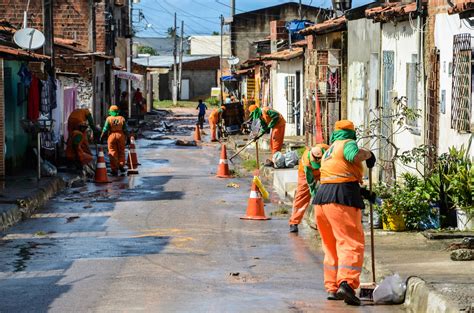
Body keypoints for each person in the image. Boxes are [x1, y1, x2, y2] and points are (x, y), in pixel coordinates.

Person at [313, 120, 376, 306]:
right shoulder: (347, 144)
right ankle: (347, 283)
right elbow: (353, 156)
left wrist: (362, 193)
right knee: (351, 242)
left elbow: (338, 175)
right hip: (341, 200)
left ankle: (332, 287)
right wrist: (369, 154)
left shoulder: (329, 150)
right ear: (351, 132)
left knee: (331, 245)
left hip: (322, 200)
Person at [288, 143, 330, 233]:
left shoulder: (326, 149)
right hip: (305, 174)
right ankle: (294, 222)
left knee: (329, 193)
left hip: (325, 169)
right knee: (302, 196)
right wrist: (313, 192)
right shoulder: (306, 162)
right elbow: (310, 182)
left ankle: (326, 222)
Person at [100, 105, 129, 176]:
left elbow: (105, 129)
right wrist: (128, 138)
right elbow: (125, 129)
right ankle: (121, 165)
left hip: (112, 136)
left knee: (112, 152)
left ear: (110, 111)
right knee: (121, 151)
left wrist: (101, 137)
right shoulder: (122, 118)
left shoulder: (109, 119)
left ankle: (114, 169)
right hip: (120, 135)